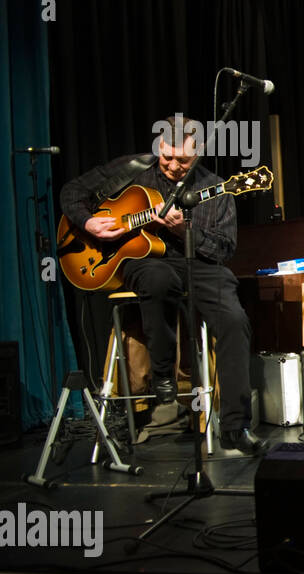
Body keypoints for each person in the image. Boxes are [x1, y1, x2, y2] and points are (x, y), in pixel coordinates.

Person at [60, 115, 264, 454]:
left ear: (198, 153)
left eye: (182, 160)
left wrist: (183, 231)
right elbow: (72, 192)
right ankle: (163, 376)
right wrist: (89, 222)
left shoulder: (216, 188)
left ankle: (235, 426)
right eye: (166, 157)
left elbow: (224, 248)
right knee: (157, 279)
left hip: (199, 263)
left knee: (233, 320)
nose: (172, 165)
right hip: (146, 261)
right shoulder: (132, 169)